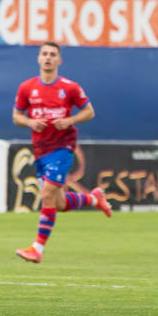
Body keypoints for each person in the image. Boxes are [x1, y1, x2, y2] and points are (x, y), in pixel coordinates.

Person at [13, 41, 112, 263]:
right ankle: (94, 199)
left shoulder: (69, 88)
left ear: (59, 60)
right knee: (56, 202)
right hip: (40, 150)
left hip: (63, 147)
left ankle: (37, 248)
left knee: (47, 194)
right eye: (44, 54)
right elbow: (16, 117)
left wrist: (70, 120)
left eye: (52, 54)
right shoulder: (27, 88)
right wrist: (30, 122)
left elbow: (89, 112)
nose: (48, 57)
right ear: (38, 58)